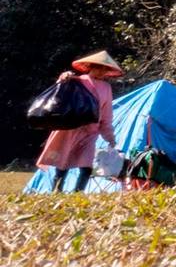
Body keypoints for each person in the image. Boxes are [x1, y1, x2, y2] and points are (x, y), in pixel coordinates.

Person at [35, 50, 121, 192]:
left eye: (105, 69)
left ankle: (78, 193)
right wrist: (64, 77)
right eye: (99, 67)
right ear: (90, 66)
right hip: (70, 129)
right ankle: (56, 191)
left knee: (86, 166)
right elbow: (60, 91)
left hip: (90, 132)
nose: (101, 72)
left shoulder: (106, 88)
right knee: (63, 164)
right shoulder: (77, 80)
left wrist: (110, 137)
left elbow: (106, 115)